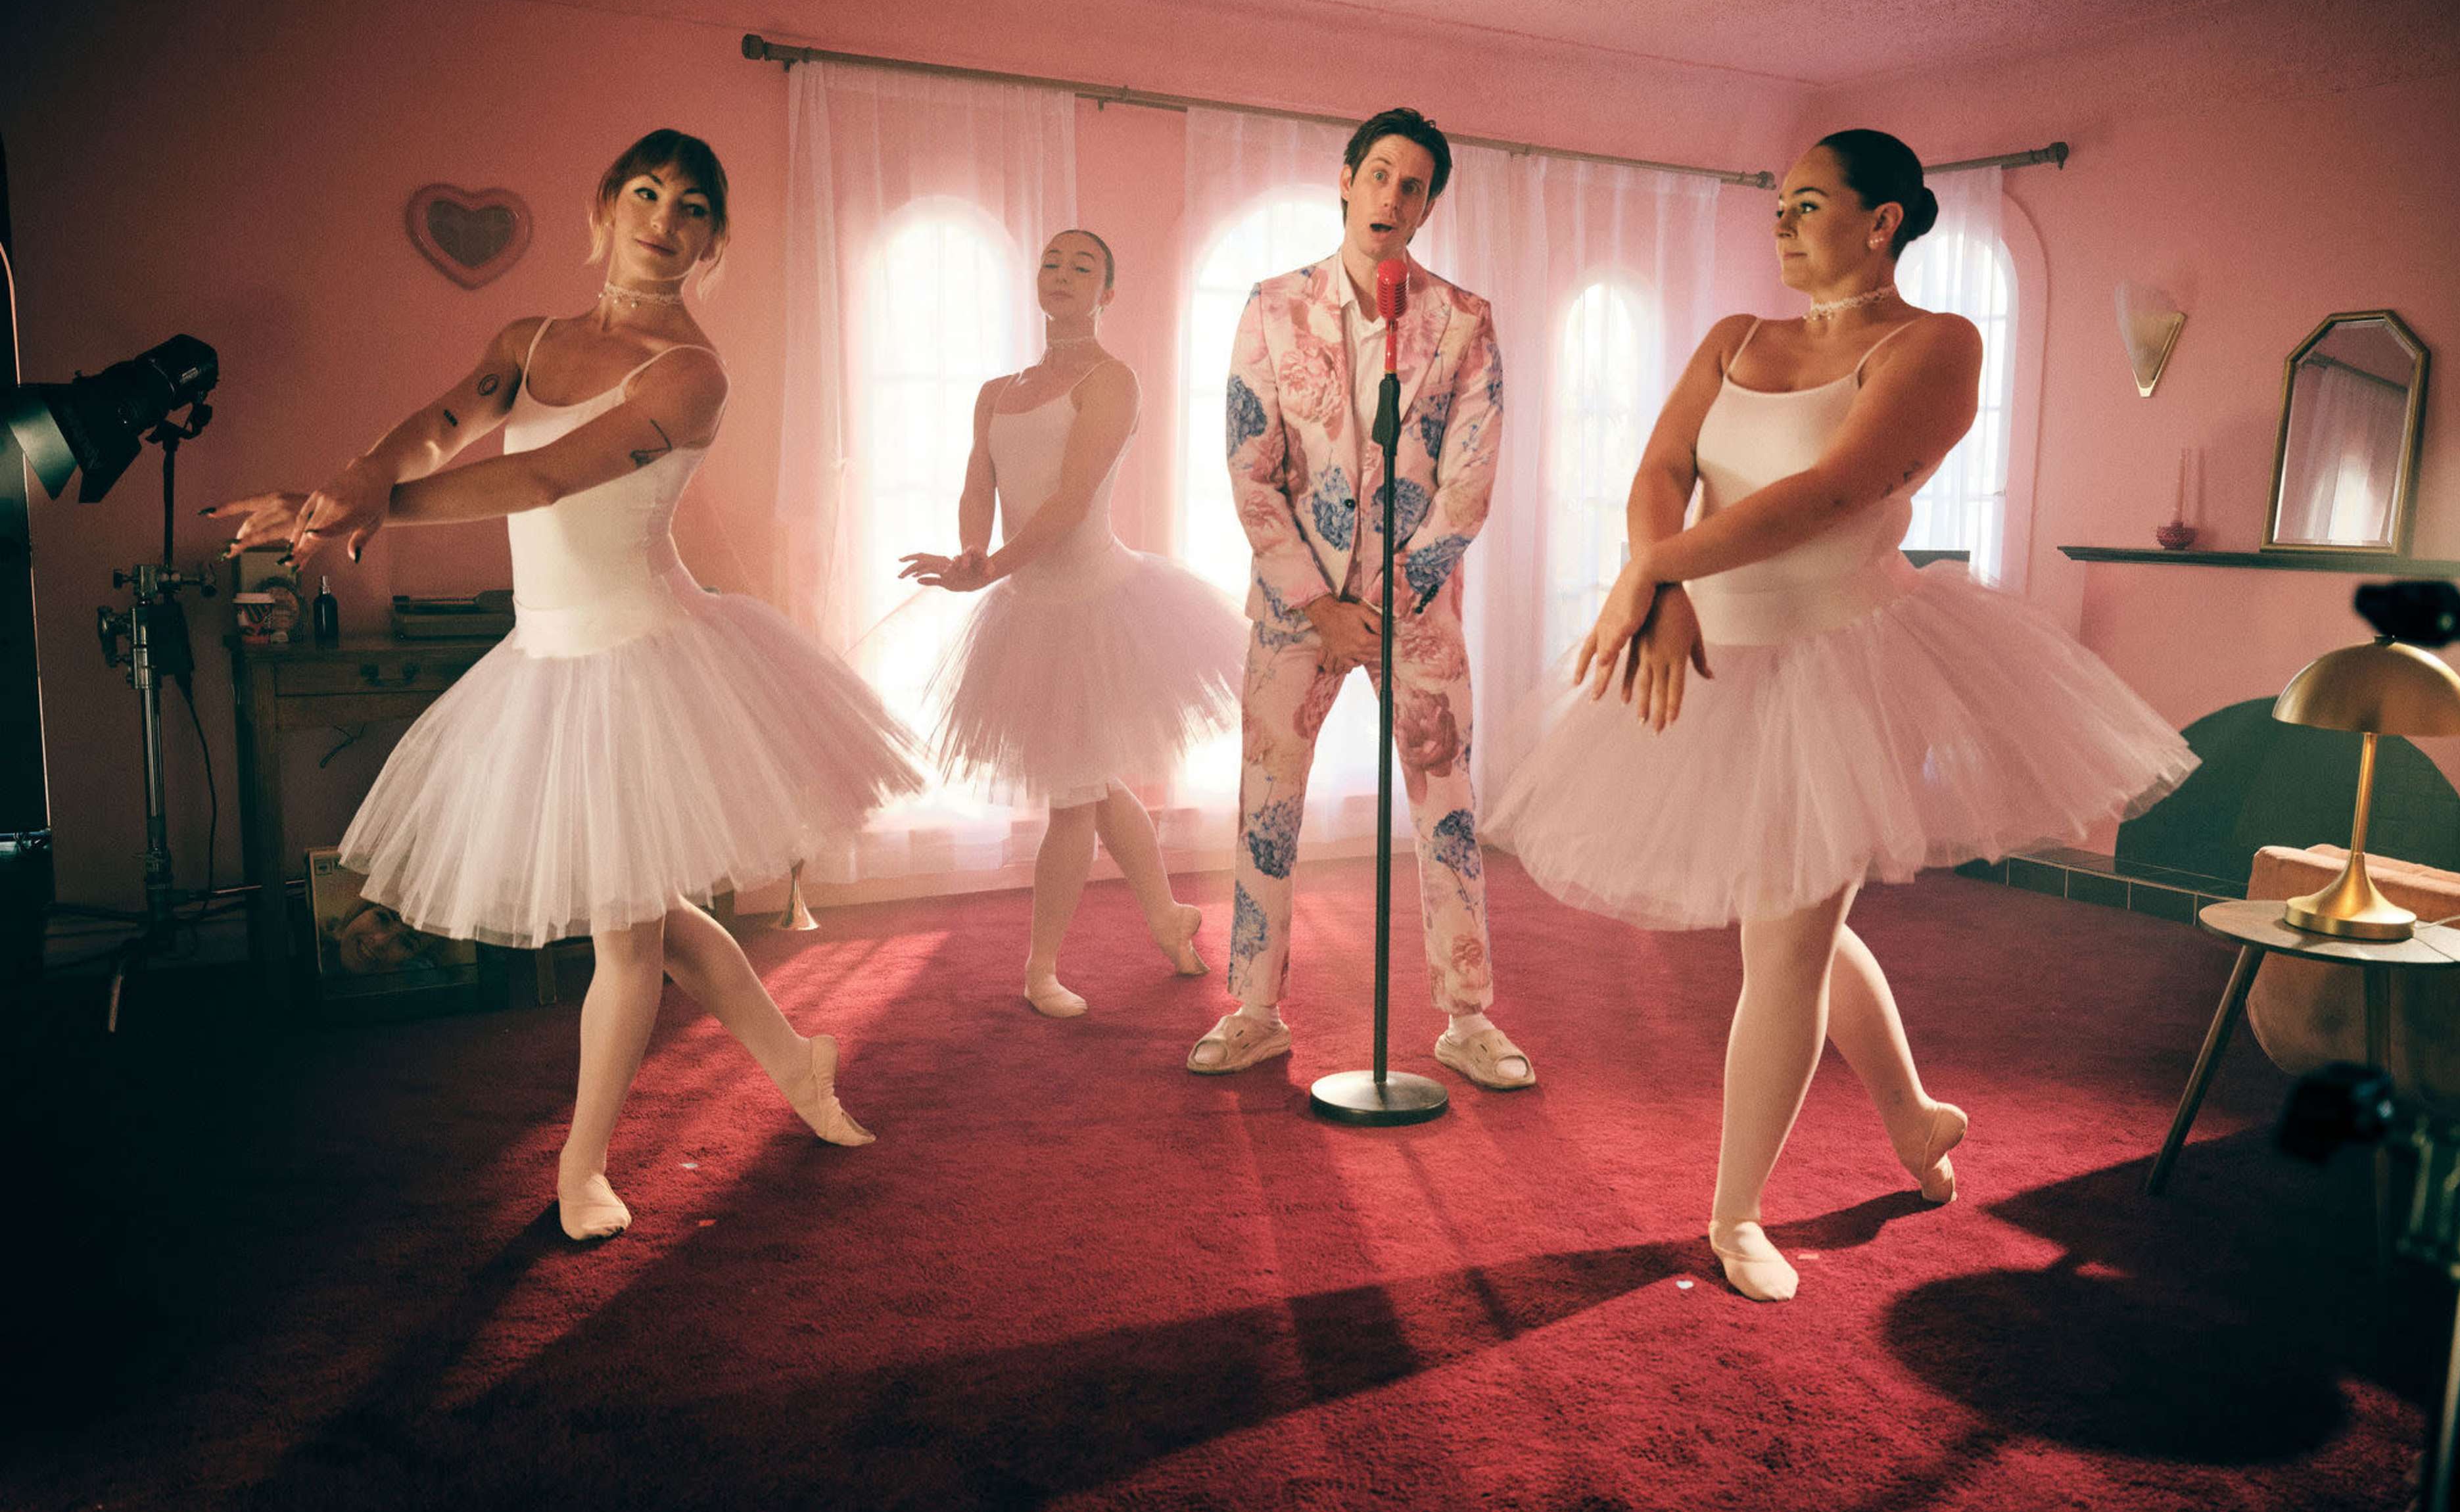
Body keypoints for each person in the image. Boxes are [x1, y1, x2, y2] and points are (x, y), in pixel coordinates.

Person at [1486, 130, 2196, 1301]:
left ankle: (1735, 1217)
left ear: (1883, 221)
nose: (1781, 221)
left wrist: (1652, 576)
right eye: (1777, 203)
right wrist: (1660, 581)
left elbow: (1830, 495)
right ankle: (1916, 1121)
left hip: (1845, 662)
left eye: (1807, 203)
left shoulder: (1940, 344)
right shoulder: (1733, 340)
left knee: (1790, 930)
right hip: (1717, 649)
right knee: (1789, 919)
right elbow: (1661, 465)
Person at [208, 130, 921, 1240]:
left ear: (713, 240)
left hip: (646, 656)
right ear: (603, 207)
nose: (663, 220)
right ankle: (800, 1060)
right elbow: (441, 432)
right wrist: (347, 482)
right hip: (546, 660)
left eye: (692, 208)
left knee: (628, 932)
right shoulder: (528, 339)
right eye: (646, 192)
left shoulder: (691, 374)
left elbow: (542, 477)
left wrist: (343, 509)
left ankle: (581, 1170)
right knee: (658, 915)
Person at [1186, 107, 1534, 1091]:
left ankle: (1469, 1020)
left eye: (1412, 184)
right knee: (1267, 803)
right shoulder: (1269, 306)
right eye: (1378, 173)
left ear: (1428, 206)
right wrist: (1316, 601)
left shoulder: (1464, 320)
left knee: (1449, 811)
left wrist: (1393, 594)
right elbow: (1250, 470)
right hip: (1297, 609)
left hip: (1416, 611)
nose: (1391, 195)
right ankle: (1254, 1010)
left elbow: (1472, 477)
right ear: (1346, 179)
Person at [901, 229, 1244, 1016]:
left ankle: (1039, 970)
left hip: (1098, 600)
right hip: (1029, 603)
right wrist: (968, 550)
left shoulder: (1111, 380)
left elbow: (1069, 500)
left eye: (1083, 265)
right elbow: (978, 483)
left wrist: (992, 567)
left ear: (1108, 292)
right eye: (1051, 263)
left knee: (1071, 794)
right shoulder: (996, 389)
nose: (1062, 274)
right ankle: (1167, 917)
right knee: (1089, 777)